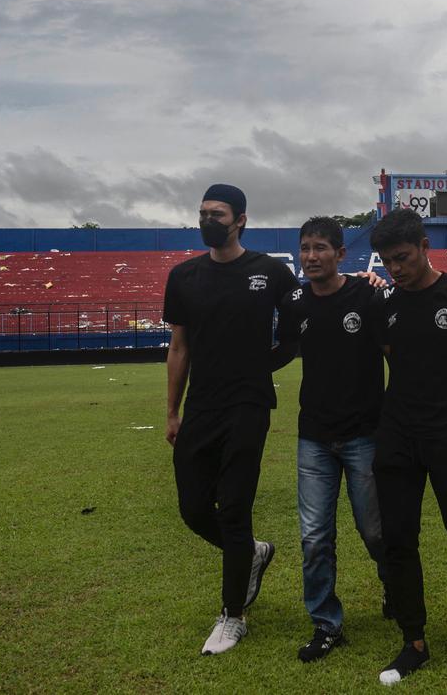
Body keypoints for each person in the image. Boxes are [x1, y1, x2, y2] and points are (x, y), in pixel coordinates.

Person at [163, 183, 300, 656]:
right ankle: (254, 554)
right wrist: (173, 410)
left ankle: (232, 616)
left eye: (216, 213)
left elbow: (299, 329)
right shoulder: (184, 277)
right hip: (201, 407)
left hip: (249, 405)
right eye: (202, 212)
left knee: (236, 506)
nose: (207, 220)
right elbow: (178, 347)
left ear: (240, 220)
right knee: (193, 508)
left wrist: (265, 365)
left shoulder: (270, 272)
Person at [366, 208, 447, 685]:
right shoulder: (387, 304)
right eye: (386, 261)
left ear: (424, 246)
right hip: (397, 432)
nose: (395, 268)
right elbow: (391, 356)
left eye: (402, 257)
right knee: (397, 537)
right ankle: (414, 641)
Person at [275, 217, 392, 662]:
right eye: (305, 247)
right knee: (314, 536)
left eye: (321, 247)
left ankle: (394, 590)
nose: (311, 256)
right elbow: (283, 349)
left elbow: (393, 351)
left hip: (365, 434)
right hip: (314, 439)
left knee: (374, 530)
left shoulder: (367, 294)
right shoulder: (295, 301)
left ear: (341, 254)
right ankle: (326, 623)